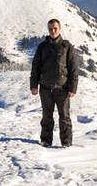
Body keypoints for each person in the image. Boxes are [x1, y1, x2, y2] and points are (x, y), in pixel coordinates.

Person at [30, 18, 79, 147]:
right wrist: (33, 85)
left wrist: (73, 88)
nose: (53, 31)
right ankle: (46, 141)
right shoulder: (42, 47)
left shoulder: (67, 46)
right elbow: (35, 67)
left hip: (62, 88)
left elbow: (73, 68)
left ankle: (66, 143)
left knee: (64, 117)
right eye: (50, 29)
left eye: (55, 28)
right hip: (45, 88)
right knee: (47, 116)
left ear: (60, 29)